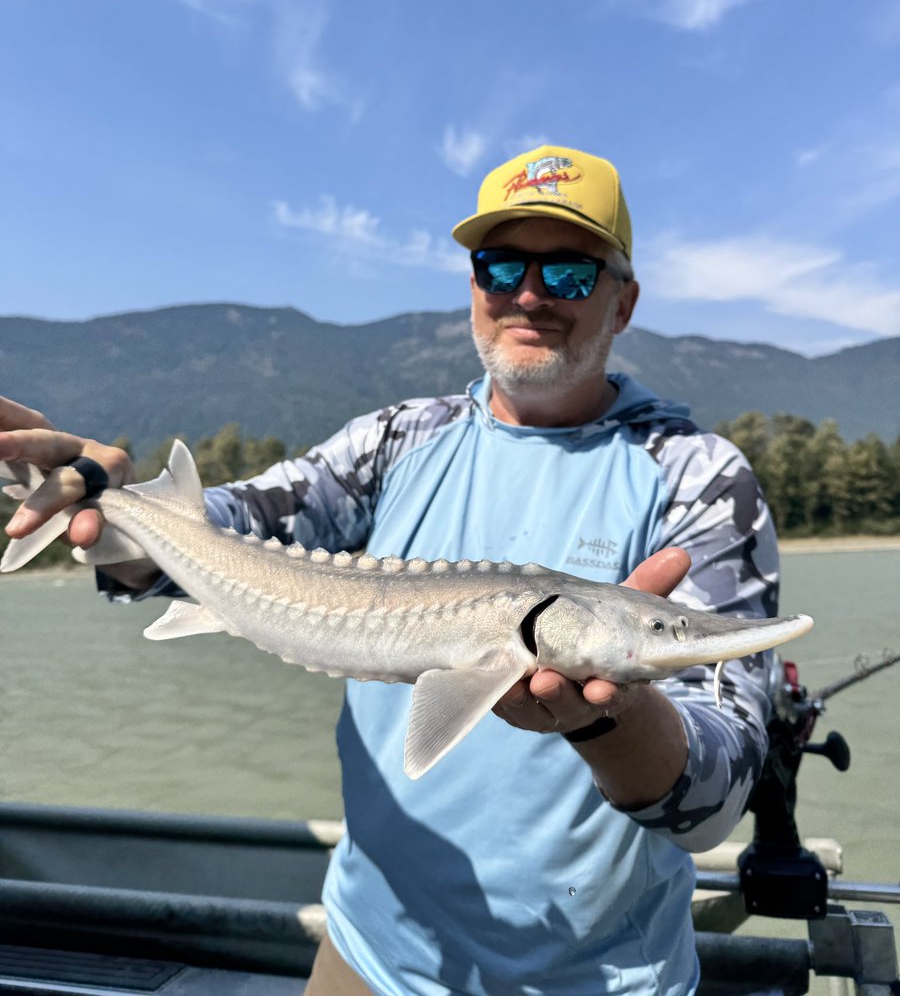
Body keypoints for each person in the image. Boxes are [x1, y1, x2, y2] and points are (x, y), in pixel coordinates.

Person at [0, 145, 780, 996]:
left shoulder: (701, 478)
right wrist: (96, 500)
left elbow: (716, 799)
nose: (528, 294)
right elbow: (215, 537)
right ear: (473, 286)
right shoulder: (396, 440)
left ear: (622, 301)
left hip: (598, 979)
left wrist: (610, 717)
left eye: (567, 272)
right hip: (370, 955)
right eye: (500, 265)